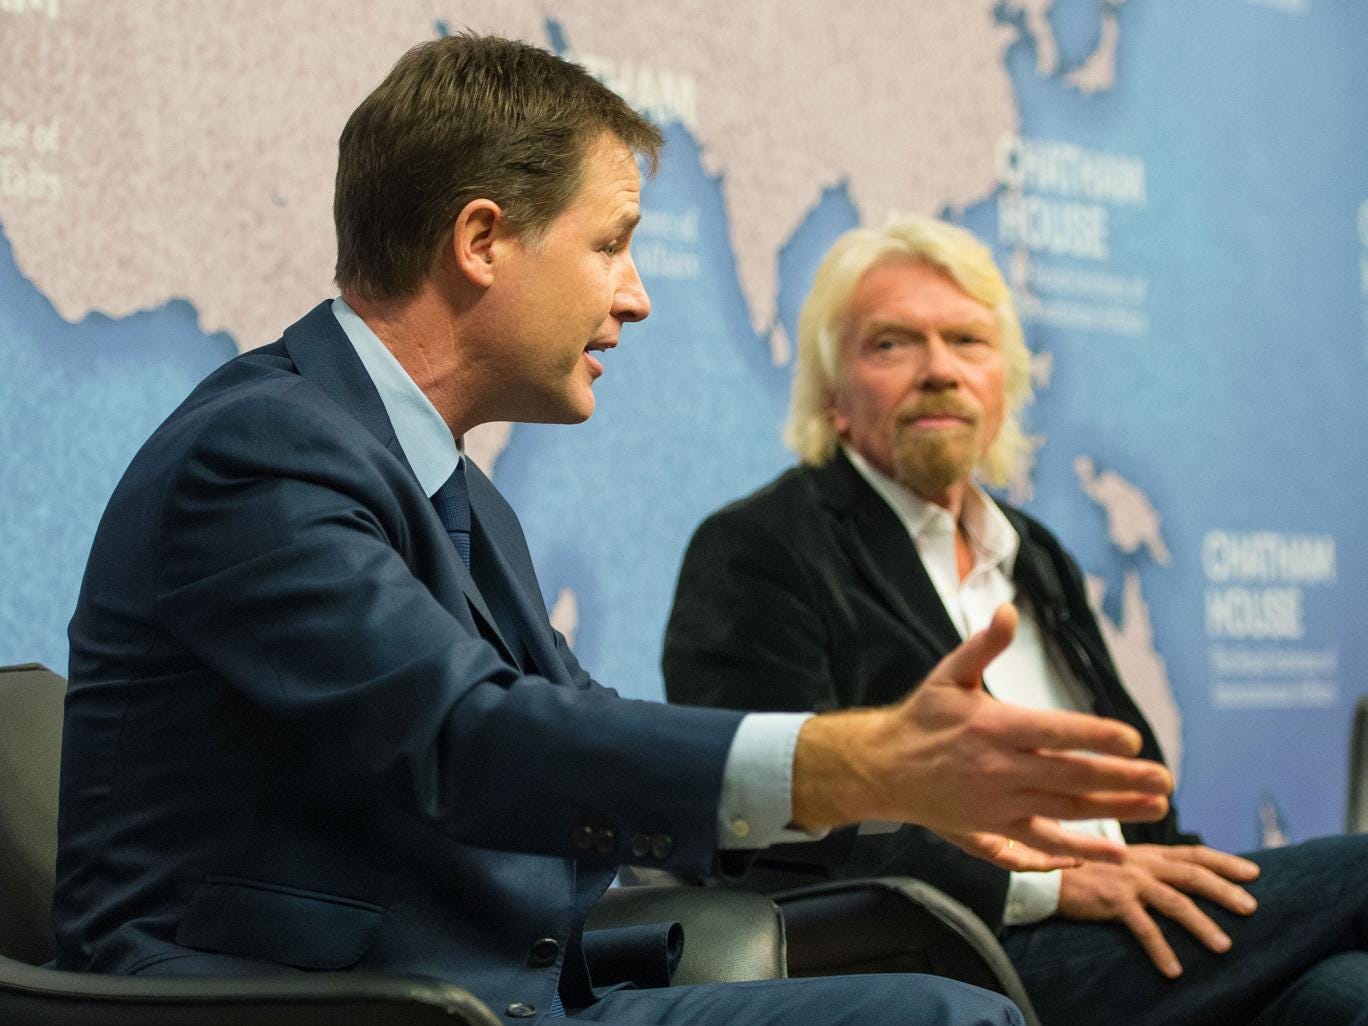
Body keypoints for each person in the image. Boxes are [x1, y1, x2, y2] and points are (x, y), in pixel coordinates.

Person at [56, 37, 1173, 1026]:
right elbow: (470, 742)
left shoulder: (451, 487)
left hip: (491, 987)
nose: (637, 296)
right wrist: (853, 761)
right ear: (483, 240)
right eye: (612, 244)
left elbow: (572, 721)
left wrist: (872, 781)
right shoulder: (258, 453)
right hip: (327, 1005)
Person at [662, 214, 1368, 1026]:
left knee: (1347, 993)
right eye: (892, 344)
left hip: (1134, 933)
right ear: (833, 397)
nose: (939, 370)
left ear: (1005, 384)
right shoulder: (761, 549)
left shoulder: (1035, 554)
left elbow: (1133, 807)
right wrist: (1052, 884)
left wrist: (1164, 872)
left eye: (968, 341)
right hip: (966, 953)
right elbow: (764, 820)